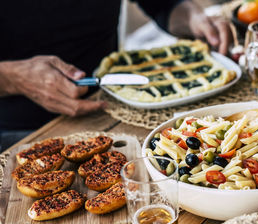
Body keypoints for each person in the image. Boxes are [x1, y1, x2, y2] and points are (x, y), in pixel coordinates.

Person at [0, 0, 232, 151]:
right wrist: (14, 78)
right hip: (17, 132)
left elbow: (162, 4)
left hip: (116, 105)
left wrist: (192, 18)